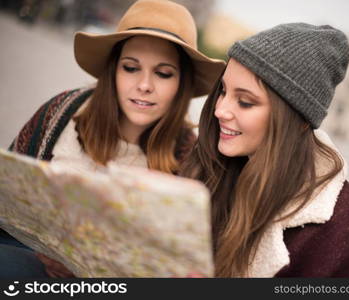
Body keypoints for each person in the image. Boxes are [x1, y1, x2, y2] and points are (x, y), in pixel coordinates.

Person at [0, 0, 225, 278]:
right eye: (130, 68)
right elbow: (8, 202)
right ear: (113, 70)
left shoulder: (189, 156)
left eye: (163, 73)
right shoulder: (61, 111)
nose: (144, 85)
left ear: (182, 83)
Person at [181, 23, 349, 277]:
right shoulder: (209, 166)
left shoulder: (344, 220)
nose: (220, 110)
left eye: (245, 102)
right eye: (223, 91)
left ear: (299, 120)